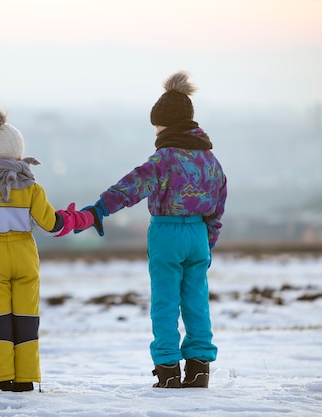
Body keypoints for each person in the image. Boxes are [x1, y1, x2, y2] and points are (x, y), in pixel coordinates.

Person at [78, 71, 227, 388]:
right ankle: (200, 368)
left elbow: (131, 186)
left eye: (157, 125)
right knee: (197, 302)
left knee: (165, 303)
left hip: (167, 233)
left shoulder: (163, 159)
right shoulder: (211, 162)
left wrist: (101, 209)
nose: (156, 131)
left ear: (168, 124)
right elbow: (217, 207)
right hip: (198, 235)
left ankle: (168, 369)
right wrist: (207, 244)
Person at [0, 104, 95, 392]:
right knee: (25, 316)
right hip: (24, 254)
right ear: (18, 153)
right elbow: (51, 225)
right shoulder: (32, 188)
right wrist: (73, 218)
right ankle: (25, 379)